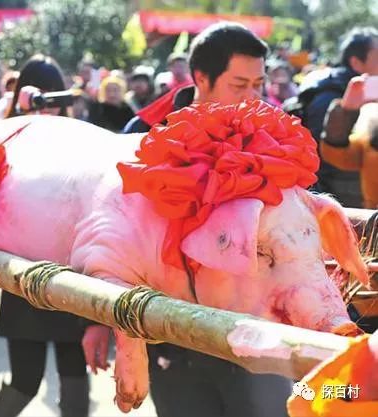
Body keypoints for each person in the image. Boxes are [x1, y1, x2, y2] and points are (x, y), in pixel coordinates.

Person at [86, 22, 293, 417]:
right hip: (169, 330)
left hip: (254, 327)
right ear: (201, 77)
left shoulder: (274, 136)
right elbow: (113, 233)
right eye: (239, 85)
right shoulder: (145, 133)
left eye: (259, 84)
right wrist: (97, 316)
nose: (253, 98)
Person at [0, 54, 90, 417]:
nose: (45, 104)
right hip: (21, 276)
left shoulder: (83, 142)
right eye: (38, 95)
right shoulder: (5, 140)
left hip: (72, 277)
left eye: (53, 96)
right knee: (24, 382)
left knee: (76, 377)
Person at [296, 27, 378, 208]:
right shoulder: (329, 96)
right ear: (356, 62)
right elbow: (330, 158)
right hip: (345, 208)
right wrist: (345, 111)